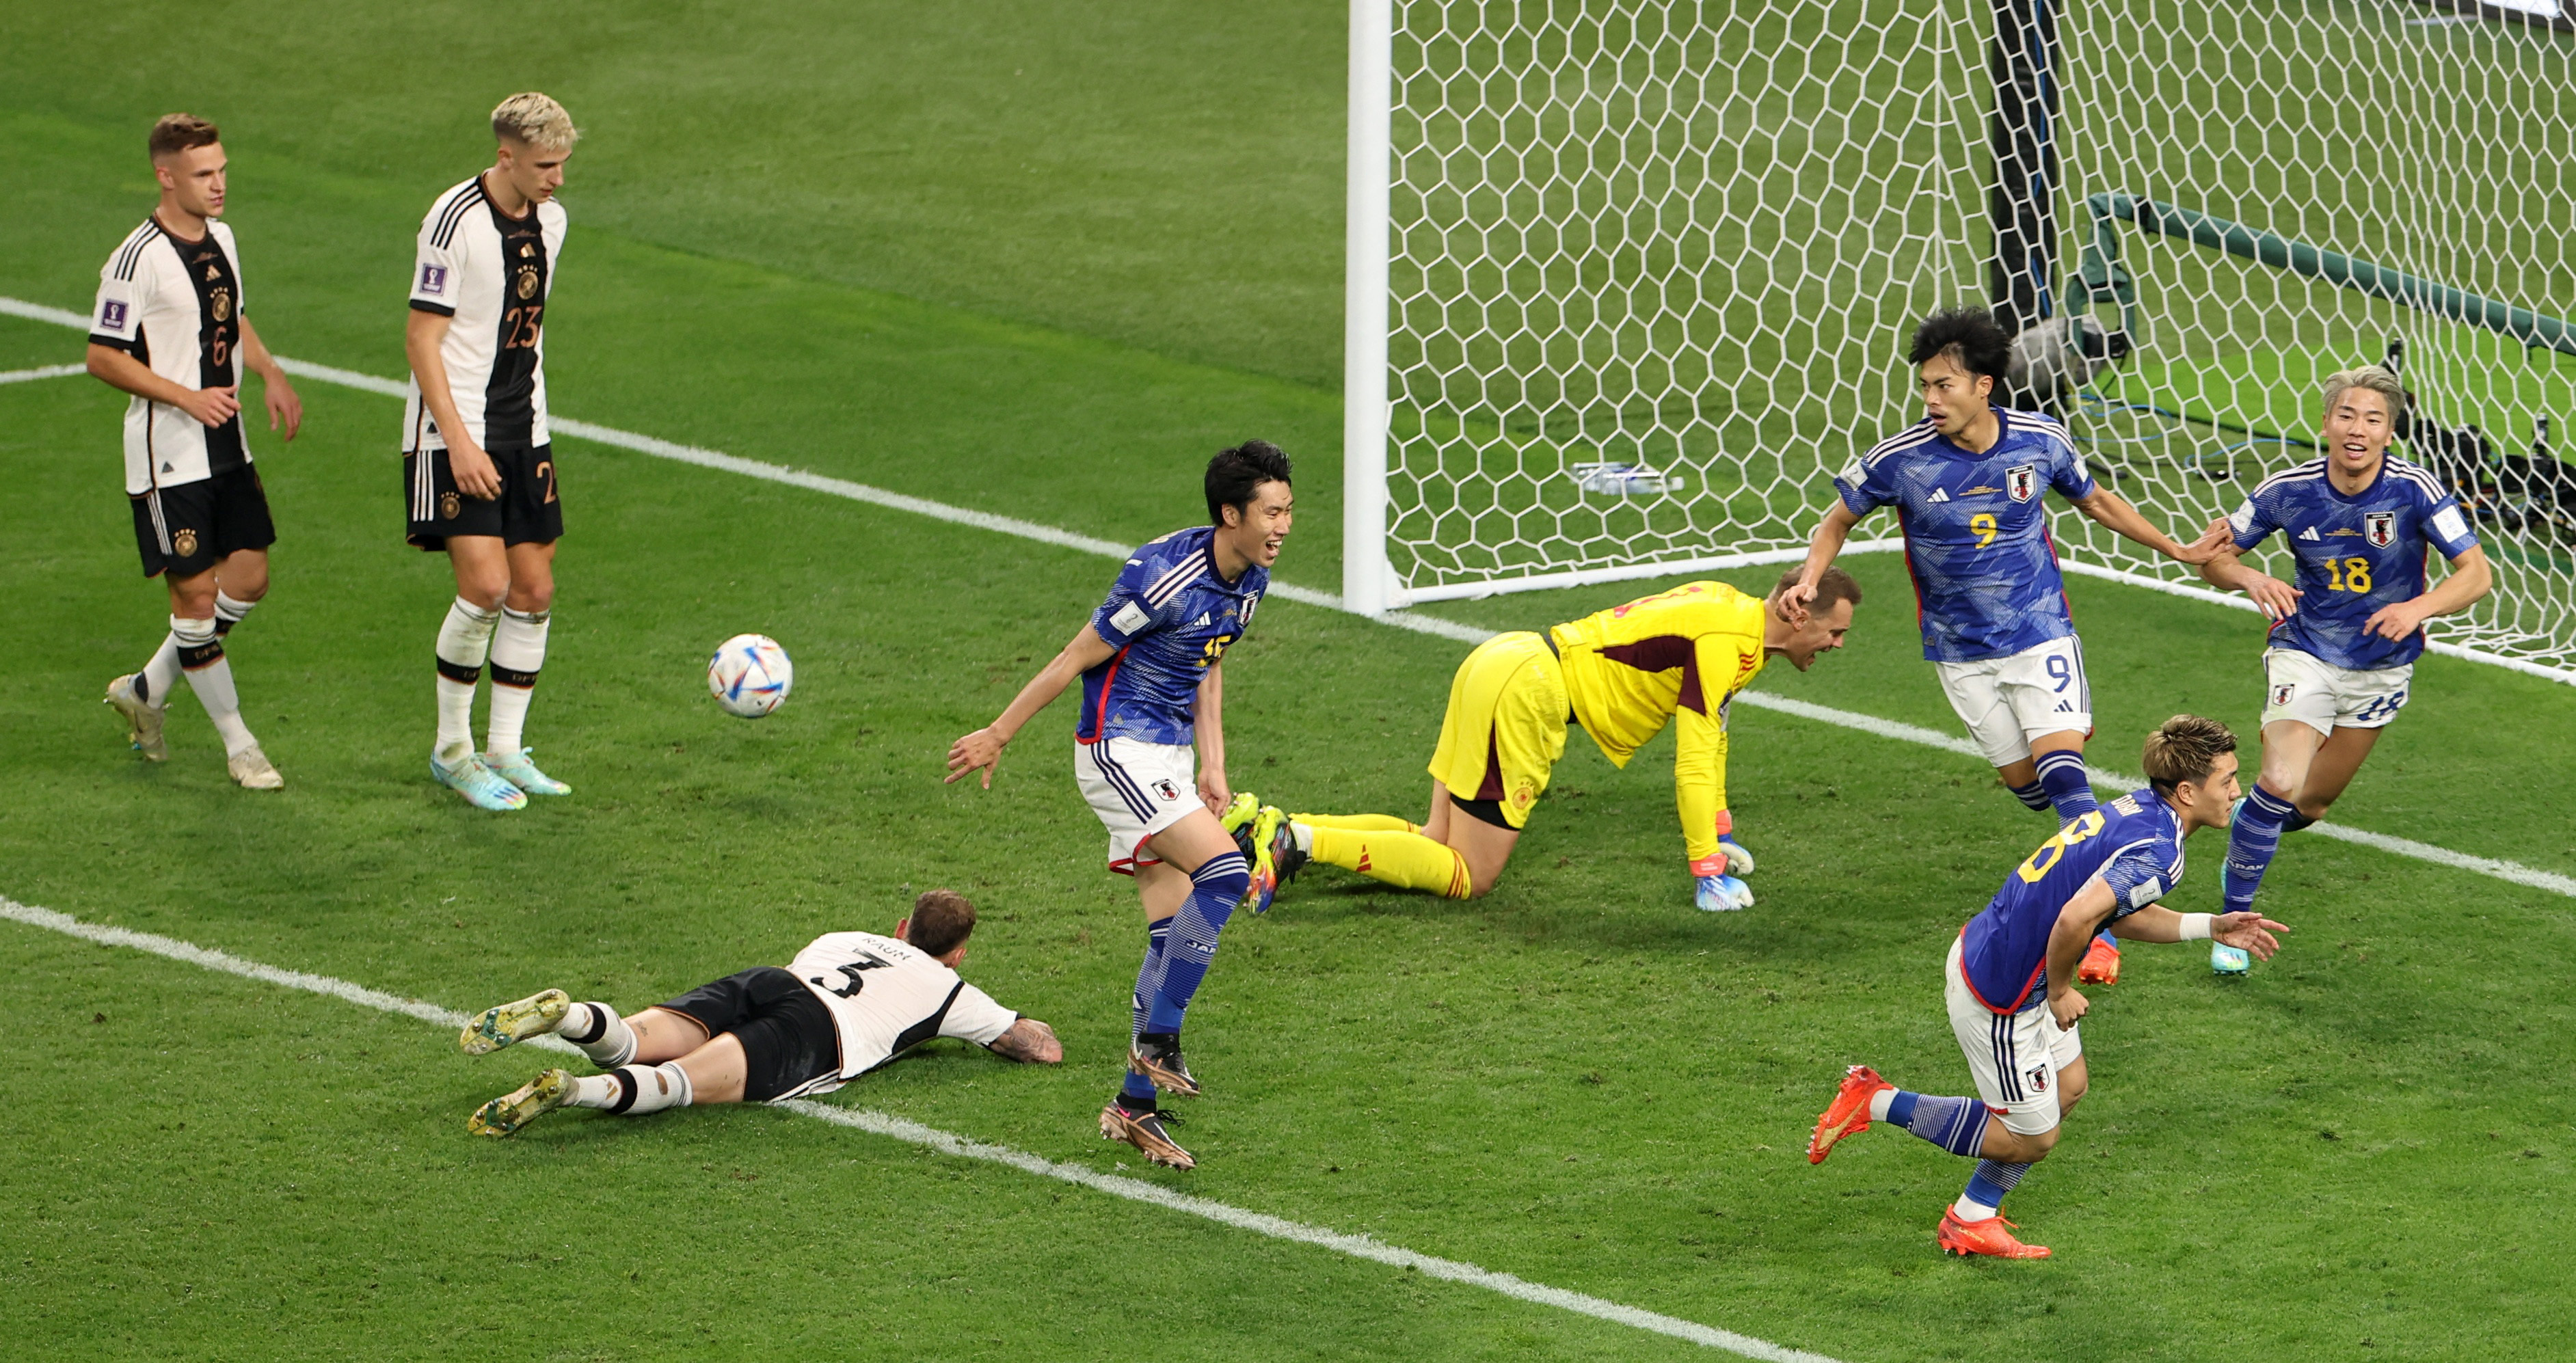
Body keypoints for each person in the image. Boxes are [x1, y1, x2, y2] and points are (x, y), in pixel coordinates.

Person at [1787, 308, 2224, 983]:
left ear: (1984, 385)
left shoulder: (2040, 440)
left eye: (1945, 385)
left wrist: (2175, 547)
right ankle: (2098, 850)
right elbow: (1836, 520)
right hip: (1960, 651)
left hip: (2037, 631)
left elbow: (2098, 500)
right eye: (1926, 386)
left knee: (2063, 773)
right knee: (2027, 787)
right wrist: (1812, 577)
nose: (1931, 399)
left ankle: (2095, 925)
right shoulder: (1899, 460)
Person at [1805, 716, 2286, 1258]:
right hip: (2002, 992)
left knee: (2069, 1086)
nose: (2235, 791)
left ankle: (1971, 1217)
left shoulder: (2140, 811)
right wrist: (2059, 991)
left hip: (1993, 949)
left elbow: (2114, 915)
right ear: (2186, 791)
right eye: (2226, 780)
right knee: (2032, 1138)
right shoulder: (2160, 850)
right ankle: (1875, 1101)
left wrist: (2210, 926)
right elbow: (2075, 922)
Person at [945, 442, 1296, 1172]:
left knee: (1172, 933)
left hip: (1167, 756)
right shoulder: (1163, 574)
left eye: (1289, 509)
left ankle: (1134, 1105)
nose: (1284, 524)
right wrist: (998, 733)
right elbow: (1077, 654)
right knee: (1227, 874)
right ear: (1230, 513)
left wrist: (1215, 764)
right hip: (1117, 748)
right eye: (1272, 510)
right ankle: (1159, 1041)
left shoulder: (1252, 578)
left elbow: (1209, 662)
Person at [1279, 568, 1859, 912]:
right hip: (1529, 694)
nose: (1838, 646)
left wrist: (1720, 835)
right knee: (1469, 874)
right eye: (1835, 632)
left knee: (1436, 838)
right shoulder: (1724, 641)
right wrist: (1705, 868)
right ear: (1802, 617)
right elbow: (1694, 761)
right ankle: (1299, 842)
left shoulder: (1737, 617)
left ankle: (1278, 827)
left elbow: (1717, 743)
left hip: (1505, 659)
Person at [2193, 365, 2492, 973]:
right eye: (2348, 415)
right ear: (2328, 422)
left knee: (2306, 805)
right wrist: (2250, 575)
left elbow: (2477, 575)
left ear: (2389, 432)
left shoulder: (2415, 490)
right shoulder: (2287, 490)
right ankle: (2235, 923)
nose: (2359, 429)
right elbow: (2214, 556)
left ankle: (2249, 838)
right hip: (2304, 651)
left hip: (2382, 671)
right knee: (2278, 780)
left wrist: (2417, 608)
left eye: (2373, 419)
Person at [461, 889, 1061, 1136]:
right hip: (818, 1033)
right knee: (679, 1083)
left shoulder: (840, 936)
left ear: (901, 927)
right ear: (957, 954)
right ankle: (570, 1092)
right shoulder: (951, 991)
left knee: (635, 1038)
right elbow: (1039, 1047)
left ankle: (570, 1019)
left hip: (773, 980)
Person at [92, 113, 304, 790]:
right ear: (166, 176)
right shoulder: (136, 260)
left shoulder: (224, 239)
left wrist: (268, 370)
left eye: (222, 171)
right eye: (204, 174)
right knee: (195, 598)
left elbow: (229, 312)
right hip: (168, 456)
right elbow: (102, 355)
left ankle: (145, 690)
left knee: (248, 580)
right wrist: (186, 396)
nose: (219, 186)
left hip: (227, 443)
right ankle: (240, 745)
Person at [403, 92, 580, 811]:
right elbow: (422, 338)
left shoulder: (553, 220)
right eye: (544, 165)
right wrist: (460, 442)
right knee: (484, 586)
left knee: (533, 588)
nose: (557, 178)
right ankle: (452, 752)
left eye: (564, 164)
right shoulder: (453, 220)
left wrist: (522, 429)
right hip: (456, 428)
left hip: (522, 425)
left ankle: (505, 748)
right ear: (505, 155)